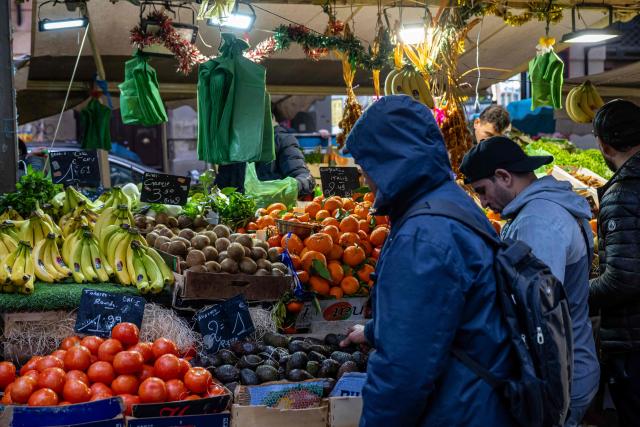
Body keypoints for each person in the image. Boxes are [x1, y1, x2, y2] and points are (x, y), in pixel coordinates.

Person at [340, 95, 515, 426]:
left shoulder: (422, 236)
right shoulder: (451, 204)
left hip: (458, 409)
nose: (365, 179)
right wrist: (377, 331)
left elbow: (403, 373)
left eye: (367, 167)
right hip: (482, 398)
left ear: (389, 161)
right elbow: (438, 314)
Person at [460, 136, 600, 426]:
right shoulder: (545, 210)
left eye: (482, 191)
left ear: (504, 176)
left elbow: (537, 316)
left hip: (558, 379)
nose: (484, 202)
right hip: (569, 366)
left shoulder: (537, 222)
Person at [588, 99, 640, 427]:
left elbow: (622, 278)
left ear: (604, 145)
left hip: (634, 343)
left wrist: (574, 292)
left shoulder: (622, 193)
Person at [214, 111, 315, 198]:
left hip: (273, 214)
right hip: (237, 216)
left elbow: (304, 177)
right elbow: (220, 185)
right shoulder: (235, 146)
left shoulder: (282, 140)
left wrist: (290, 186)